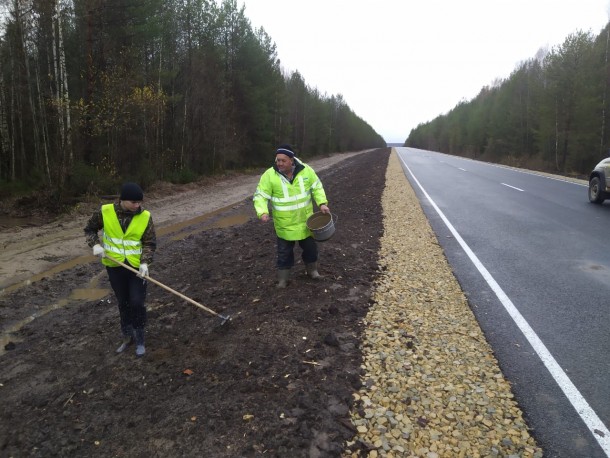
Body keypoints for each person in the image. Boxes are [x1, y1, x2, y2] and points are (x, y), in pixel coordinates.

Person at [84, 182, 157, 357]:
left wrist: (145, 263)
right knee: (123, 302)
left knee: (137, 302)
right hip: (115, 267)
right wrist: (95, 245)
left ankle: (140, 338)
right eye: (134, 202)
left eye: (139, 202)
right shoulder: (105, 211)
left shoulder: (145, 216)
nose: (137, 205)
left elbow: (149, 242)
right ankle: (127, 336)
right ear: (123, 200)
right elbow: (90, 229)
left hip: (137, 267)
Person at [253, 144, 330, 288]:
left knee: (310, 249)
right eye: (277, 160)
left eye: (283, 160)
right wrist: (262, 211)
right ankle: (283, 280)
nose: (279, 163)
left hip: (306, 223)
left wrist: (322, 203)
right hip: (284, 225)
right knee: (284, 254)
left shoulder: (306, 171)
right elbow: (260, 196)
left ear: (292, 160)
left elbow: (317, 187)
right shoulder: (269, 175)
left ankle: (312, 271)